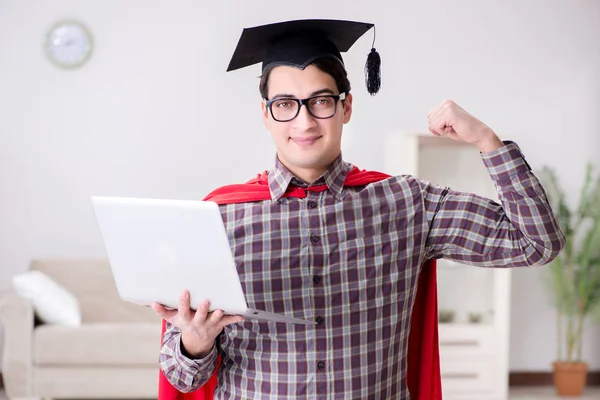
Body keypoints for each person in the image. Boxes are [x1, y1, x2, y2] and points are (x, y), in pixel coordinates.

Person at [152, 18, 566, 400]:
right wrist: (195, 342)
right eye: (285, 104)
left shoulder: (407, 204)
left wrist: (487, 141)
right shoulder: (219, 219)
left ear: (346, 107)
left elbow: (535, 243)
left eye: (321, 101)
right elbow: (183, 377)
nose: (304, 122)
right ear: (266, 114)